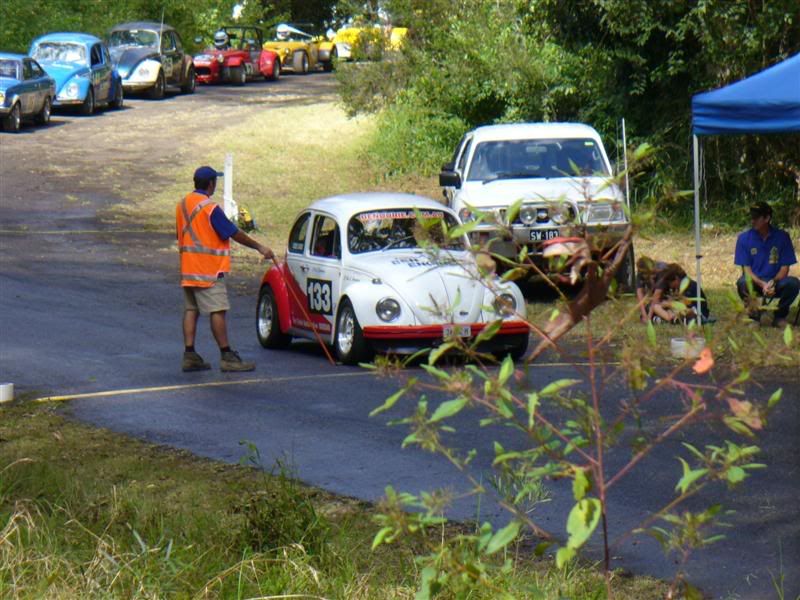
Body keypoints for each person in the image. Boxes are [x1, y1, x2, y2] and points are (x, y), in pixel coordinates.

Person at [176, 166, 274, 372]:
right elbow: (233, 233)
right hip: (208, 270)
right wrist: (259, 247)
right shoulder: (210, 208)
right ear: (211, 184)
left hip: (188, 267)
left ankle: (190, 354)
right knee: (217, 310)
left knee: (191, 310)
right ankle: (227, 355)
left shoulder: (182, 205)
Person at [734, 201, 799, 327]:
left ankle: (779, 317)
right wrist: (762, 284)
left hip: (776, 281)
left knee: (793, 283)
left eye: (756, 218)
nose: (753, 221)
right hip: (755, 281)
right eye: (752, 217)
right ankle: (754, 317)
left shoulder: (782, 237)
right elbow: (746, 270)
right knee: (742, 282)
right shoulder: (743, 238)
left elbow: (785, 268)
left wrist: (772, 282)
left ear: (767, 218)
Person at [635, 256, 667, 323]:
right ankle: (658, 318)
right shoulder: (641, 272)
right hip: (656, 298)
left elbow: (656, 297)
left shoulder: (662, 270)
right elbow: (640, 295)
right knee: (648, 309)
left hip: (666, 296)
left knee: (655, 307)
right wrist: (644, 315)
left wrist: (649, 317)